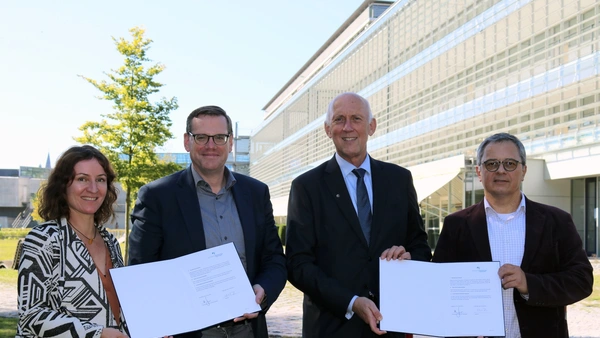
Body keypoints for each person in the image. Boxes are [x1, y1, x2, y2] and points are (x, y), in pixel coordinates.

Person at [128, 105, 287, 338]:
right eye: (201, 137)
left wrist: (262, 290)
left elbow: (274, 258)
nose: (211, 146)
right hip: (189, 332)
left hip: (248, 330)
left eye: (219, 137)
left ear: (230, 143)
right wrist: (157, 320)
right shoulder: (157, 196)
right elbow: (141, 270)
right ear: (186, 141)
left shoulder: (256, 193)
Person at [286, 92, 432, 338]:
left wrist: (408, 256)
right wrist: (352, 302)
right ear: (327, 128)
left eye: (356, 118)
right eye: (339, 119)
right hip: (331, 327)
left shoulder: (399, 179)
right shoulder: (306, 186)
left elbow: (420, 246)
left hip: (391, 323)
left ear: (371, 126)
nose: (347, 127)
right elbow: (298, 264)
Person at [432, 133, 594, 338]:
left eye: (509, 163)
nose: (500, 170)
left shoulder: (557, 221)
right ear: (479, 172)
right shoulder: (456, 225)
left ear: (524, 170)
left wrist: (529, 284)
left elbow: (581, 281)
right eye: (491, 164)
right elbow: (438, 286)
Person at [17, 145, 129, 338]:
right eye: (82, 179)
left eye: (100, 180)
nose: (93, 189)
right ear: (63, 185)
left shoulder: (111, 241)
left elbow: (118, 307)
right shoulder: (44, 239)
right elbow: (31, 316)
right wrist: (97, 334)